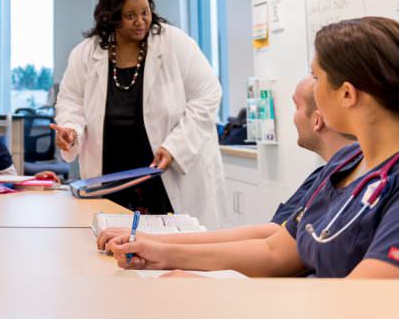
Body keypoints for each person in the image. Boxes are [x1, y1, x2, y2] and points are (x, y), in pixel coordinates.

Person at [105, 17, 399, 282]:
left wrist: (222, 297)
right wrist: (162, 253)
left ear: (347, 94)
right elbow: (274, 251)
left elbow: (361, 304)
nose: (309, 89)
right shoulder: (349, 162)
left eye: (315, 77)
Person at [96, 76, 354, 250]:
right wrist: (159, 244)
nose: (292, 117)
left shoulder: (344, 187)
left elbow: (271, 245)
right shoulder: (322, 176)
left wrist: (164, 246)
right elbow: (272, 235)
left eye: (295, 107)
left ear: (317, 120)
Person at [54, 0, 227, 228]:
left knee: (173, 244)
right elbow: (70, 101)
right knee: (115, 243)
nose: (141, 21)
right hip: (113, 177)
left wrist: (175, 146)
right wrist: (70, 130)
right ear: (111, 18)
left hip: (164, 172)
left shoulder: (174, 43)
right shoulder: (85, 54)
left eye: (145, 12)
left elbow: (208, 93)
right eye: (130, 15)